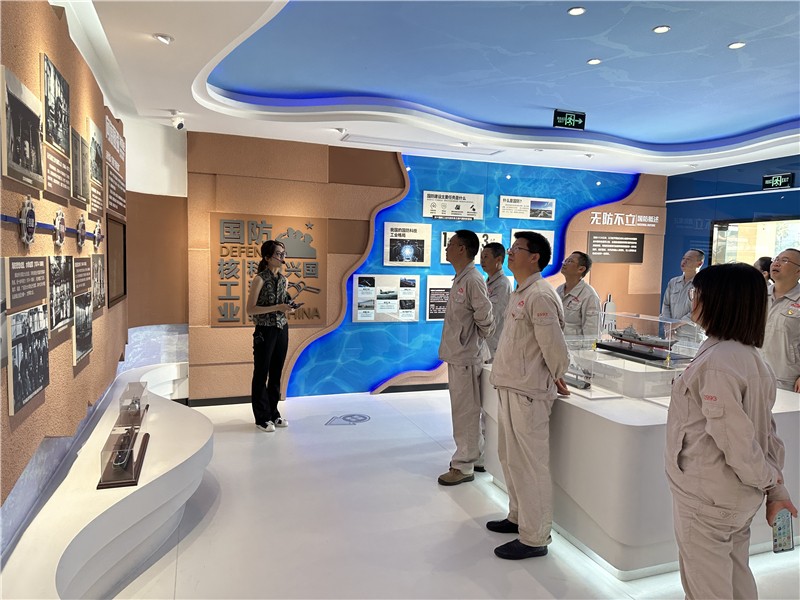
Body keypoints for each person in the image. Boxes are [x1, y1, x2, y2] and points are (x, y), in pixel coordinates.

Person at [665, 262, 797, 599]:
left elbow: (736, 441)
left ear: (719, 300)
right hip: (733, 497)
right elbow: (766, 433)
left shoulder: (719, 361)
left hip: (709, 496)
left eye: (697, 294)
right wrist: (774, 488)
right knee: (736, 576)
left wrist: (768, 481)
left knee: (706, 587)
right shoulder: (750, 357)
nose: (693, 300)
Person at [487, 232, 570, 560]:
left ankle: (534, 537)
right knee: (510, 458)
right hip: (511, 386)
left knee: (530, 465)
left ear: (534, 257)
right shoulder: (521, 292)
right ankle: (518, 516)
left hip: (529, 392)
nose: (510, 253)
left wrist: (558, 374)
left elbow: (554, 347)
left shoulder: (540, 295)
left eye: (516, 249)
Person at [437, 230, 495, 486]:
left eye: (451, 244)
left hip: (467, 356)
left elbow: (486, 317)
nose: (447, 248)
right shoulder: (462, 278)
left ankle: (463, 465)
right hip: (460, 354)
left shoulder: (472, 279)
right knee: (466, 409)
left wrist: (473, 341)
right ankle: (477, 456)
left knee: (465, 412)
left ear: (462, 249)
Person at [246, 240, 296, 433]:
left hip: (282, 328)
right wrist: (277, 307)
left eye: (284, 253)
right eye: (278, 254)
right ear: (267, 258)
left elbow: (283, 304)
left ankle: (273, 413)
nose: (282, 257)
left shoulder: (284, 280)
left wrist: (288, 308)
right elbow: (251, 309)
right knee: (261, 373)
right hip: (264, 330)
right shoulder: (259, 279)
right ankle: (262, 417)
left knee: (276, 372)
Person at [763, 248, 800, 392]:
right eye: (776, 259)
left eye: (784, 260)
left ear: (798, 271)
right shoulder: (758, 295)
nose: (776, 263)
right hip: (753, 373)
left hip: (787, 379)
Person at [660, 248, 705, 344]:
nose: (684, 262)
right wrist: (669, 325)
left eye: (688, 259)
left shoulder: (703, 284)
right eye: (683, 258)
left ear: (699, 263)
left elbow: (698, 310)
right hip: (672, 335)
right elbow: (666, 305)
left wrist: (676, 324)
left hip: (691, 337)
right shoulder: (673, 282)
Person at [556, 251, 601, 339]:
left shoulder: (589, 295)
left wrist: (589, 348)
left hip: (576, 346)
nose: (564, 263)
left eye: (570, 261)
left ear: (581, 269)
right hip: (558, 343)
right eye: (565, 260)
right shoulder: (559, 290)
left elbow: (592, 332)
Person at [479, 242, 511, 362]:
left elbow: (493, 316)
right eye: (481, 257)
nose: (482, 260)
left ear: (498, 259)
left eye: (486, 257)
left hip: (493, 346)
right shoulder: (487, 282)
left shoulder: (502, 284)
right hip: (484, 344)